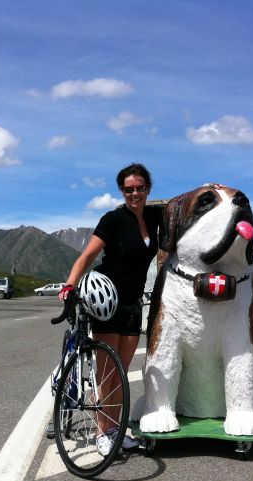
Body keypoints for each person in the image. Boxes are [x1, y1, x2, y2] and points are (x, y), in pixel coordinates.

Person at [59, 163, 163, 456]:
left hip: (132, 305)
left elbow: (183, 206)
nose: (135, 194)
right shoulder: (114, 219)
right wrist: (69, 286)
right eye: (129, 189)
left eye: (140, 188)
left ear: (148, 189)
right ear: (122, 191)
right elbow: (87, 255)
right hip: (107, 304)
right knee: (106, 373)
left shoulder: (154, 217)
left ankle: (115, 429)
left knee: (121, 372)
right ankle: (103, 433)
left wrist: (212, 189)